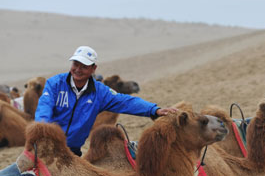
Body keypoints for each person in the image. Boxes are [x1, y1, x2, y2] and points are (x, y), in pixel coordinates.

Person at [35, 45, 177, 156]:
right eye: (75, 64)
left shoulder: (100, 92)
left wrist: (154, 110)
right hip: (45, 144)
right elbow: (44, 108)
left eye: (83, 66)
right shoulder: (55, 84)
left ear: (93, 69)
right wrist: (43, 130)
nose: (78, 69)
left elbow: (126, 102)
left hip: (71, 151)